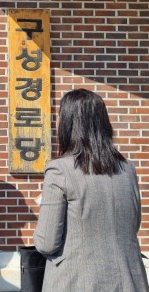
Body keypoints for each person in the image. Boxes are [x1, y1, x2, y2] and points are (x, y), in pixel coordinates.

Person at [34, 88, 149, 292]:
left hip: (76, 280)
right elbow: (134, 223)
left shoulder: (60, 169)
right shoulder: (127, 168)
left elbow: (46, 242)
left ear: (68, 124)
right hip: (129, 279)